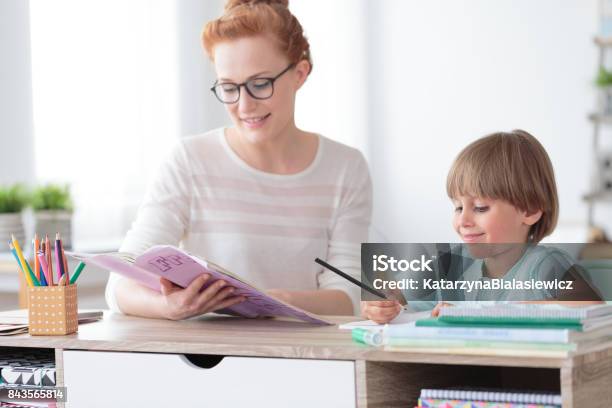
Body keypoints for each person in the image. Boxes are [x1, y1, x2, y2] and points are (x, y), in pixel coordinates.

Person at [105, 0, 372, 320]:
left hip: (308, 357)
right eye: (229, 87)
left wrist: (273, 301)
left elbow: (349, 295)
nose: (244, 106)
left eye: (260, 84)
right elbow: (120, 282)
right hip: (208, 358)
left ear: (299, 74)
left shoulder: (345, 168)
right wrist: (169, 307)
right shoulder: (189, 161)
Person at [362, 130, 601, 323]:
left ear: (529, 210)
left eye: (480, 208)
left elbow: (592, 308)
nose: (463, 221)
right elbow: (397, 297)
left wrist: (483, 312)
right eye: (458, 207)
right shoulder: (450, 263)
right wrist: (380, 304)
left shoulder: (547, 265)